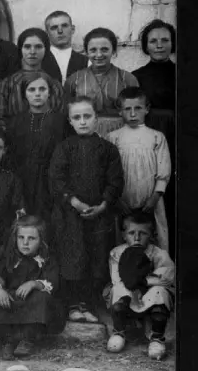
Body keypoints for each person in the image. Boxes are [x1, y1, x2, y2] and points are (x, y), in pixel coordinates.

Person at [49, 96, 124, 324]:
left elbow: (115, 180)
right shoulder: (64, 148)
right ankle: (73, 305)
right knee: (73, 257)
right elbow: (56, 178)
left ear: (96, 119)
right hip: (70, 214)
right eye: (77, 117)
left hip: (99, 215)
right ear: (70, 122)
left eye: (87, 116)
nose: (82, 122)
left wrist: (103, 204)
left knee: (96, 257)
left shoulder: (108, 149)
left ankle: (89, 304)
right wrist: (74, 202)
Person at [0, 215, 64, 359]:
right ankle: (7, 341)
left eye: (31, 239)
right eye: (21, 238)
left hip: (31, 298)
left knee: (42, 298)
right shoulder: (8, 257)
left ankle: (27, 339)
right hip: (11, 298)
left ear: (41, 241)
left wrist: (34, 283)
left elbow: (52, 283)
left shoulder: (46, 259)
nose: (25, 243)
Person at [106, 87, 171, 253]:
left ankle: (156, 271)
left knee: (154, 237)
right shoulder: (113, 137)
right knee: (122, 236)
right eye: (127, 109)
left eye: (138, 108)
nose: (133, 114)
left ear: (147, 109)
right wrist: (117, 199)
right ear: (120, 111)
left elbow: (164, 170)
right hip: (122, 200)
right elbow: (108, 171)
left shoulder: (157, 137)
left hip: (151, 200)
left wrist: (155, 196)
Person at [105, 211, 174, 361]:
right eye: (131, 233)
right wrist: (146, 281)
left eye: (142, 233)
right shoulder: (117, 253)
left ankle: (157, 338)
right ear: (124, 235)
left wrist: (148, 282)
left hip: (150, 297)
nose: (136, 238)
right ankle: (119, 332)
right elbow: (118, 279)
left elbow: (165, 278)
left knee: (160, 291)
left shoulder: (159, 254)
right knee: (117, 290)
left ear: (152, 235)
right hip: (129, 293)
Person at [133, 19, 176, 256]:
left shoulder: (184, 72)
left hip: (177, 139)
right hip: (148, 142)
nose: (159, 45)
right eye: (153, 41)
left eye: (165, 40)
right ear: (146, 46)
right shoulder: (135, 77)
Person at [5, 76, 69, 220]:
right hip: (23, 178)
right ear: (24, 94)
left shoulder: (60, 120)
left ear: (50, 93)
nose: (37, 94)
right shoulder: (16, 122)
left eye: (42, 89)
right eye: (32, 90)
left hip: (51, 179)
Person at [64, 27, 139, 136]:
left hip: (120, 134)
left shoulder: (127, 79)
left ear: (113, 51)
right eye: (93, 50)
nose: (98, 55)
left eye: (104, 49)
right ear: (86, 52)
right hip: (84, 135)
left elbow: (136, 112)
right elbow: (68, 112)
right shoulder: (74, 79)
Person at [0, 29, 66, 130]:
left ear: (46, 49)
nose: (32, 52)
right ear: (20, 49)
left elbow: (61, 118)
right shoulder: (7, 84)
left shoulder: (54, 84)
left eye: (38, 47)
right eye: (27, 47)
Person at [41, 11, 88, 85]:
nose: (60, 31)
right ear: (47, 33)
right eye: (54, 28)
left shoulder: (86, 61)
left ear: (72, 29)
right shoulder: (40, 59)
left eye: (64, 26)